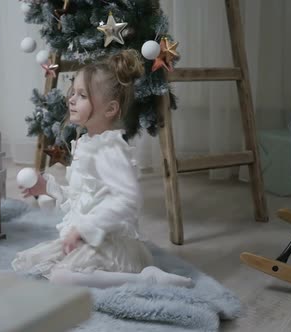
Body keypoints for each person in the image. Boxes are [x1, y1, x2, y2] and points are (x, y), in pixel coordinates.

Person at [12, 49, 193, 289]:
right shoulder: (87, 143)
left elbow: (127, 199)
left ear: (110, 109)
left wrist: (86, 228)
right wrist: (48, 188)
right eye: (72, 93)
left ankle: (145, 279)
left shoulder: (109, 149)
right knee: (36, 261)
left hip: (111, 243)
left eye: (82, 95)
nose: (71, 100)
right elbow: (85, 199)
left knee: (61, 277)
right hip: (92, 237)